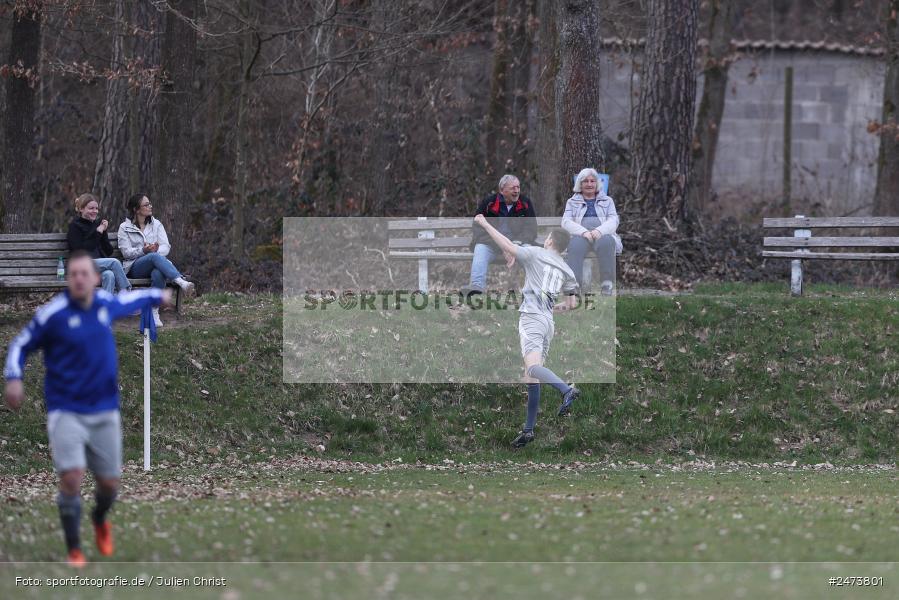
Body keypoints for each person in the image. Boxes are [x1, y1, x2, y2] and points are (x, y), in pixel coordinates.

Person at [3, 250, 172, 566]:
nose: (80, 278)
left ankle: (98, 518)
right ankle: (74, 549)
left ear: (96, 279)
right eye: (74, 274)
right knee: (72, 476)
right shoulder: (52, 314)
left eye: (86, 273)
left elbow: (134, 299)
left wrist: (161, 293)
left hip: (104, 410)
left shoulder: (104, 306)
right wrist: (14, 378)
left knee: (109, 483)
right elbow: (20, 345)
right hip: (65, 409)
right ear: (69, 280)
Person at [473, 213, 581, 448]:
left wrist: (483, 223)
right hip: (547, 323)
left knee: (533, 368)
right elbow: (572, 304)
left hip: (532, 318)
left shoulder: (535, 253)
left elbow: (508, 246)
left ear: (550, 241)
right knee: (531, 376)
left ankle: (566, 389)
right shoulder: (567, 270)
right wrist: (552, 309)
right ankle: (528, 431)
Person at [118, 194, 195, 327]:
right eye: (146, 205)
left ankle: (154, 312)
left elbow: (166, 246)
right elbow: (126, 252)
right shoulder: (124, 227)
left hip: (155, 263)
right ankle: (180, 281)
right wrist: (144, 251)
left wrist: (155, 252)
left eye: (150, 204)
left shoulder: (156, 224)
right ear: (136, 209)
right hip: (134, 267)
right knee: (153, 257)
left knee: (158, 273)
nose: (150, 206)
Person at [462, 174, 538, 296]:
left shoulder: (525, 203)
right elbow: (478, 228)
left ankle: (535, 288)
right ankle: (476, 286)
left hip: (517, 245)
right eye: (513, 188)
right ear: (502, 190)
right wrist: (502, 247)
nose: (517, 190)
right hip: (492, 245)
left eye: (518, 187)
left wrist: (513, 246)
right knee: (480, 248)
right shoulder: (489, 203)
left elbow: (531, 229)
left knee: (529, 251)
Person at [561, 168, 623, 295]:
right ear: (580, 184)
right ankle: (574, 285)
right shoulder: (572, 202)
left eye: (592, 181)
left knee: (607, 242)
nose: (589, 184)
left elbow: (613, 220)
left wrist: (599, 231)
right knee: (575, 245)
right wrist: (584, 232)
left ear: (597, 183)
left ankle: (607, 284)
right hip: (581, 236)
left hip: (602, 235)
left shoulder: (607, 200)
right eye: (585, 181)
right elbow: (566, 222)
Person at [66, 193, 131, 294]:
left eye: (96, 208)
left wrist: (103, 232)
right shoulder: (75, 226)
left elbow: (108, 251)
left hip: (98, 265)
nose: (95, 211)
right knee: (114, 262)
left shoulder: (97, 224)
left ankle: (106, 306)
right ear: (81, 209)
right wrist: (98, 232)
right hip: (81, 264)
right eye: (91, 208)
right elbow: (80, 251)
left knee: (109, 275)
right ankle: (127, 294)